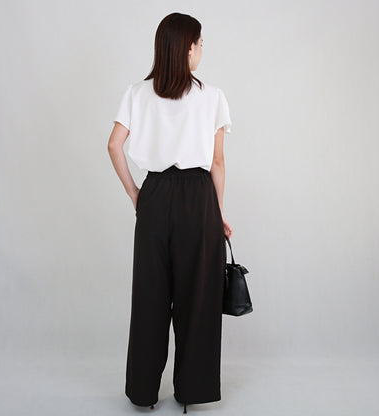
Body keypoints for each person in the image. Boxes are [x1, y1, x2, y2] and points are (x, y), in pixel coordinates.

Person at [107, 12, 233, 414]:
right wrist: (218, 213)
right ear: (188, 48)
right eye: (200, 43)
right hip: (198, 198)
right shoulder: (212, 96)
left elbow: (114, 145)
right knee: (198, 296)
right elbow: (217, 162)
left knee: (150, 296)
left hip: (156, 195)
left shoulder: (137, 93)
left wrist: (136, 194)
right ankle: (192, 391)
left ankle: (143, 393)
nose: (201, 50)